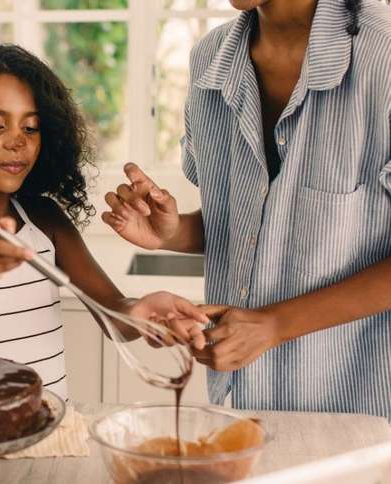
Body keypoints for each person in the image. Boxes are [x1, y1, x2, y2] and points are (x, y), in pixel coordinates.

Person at [0, 44, 208, 400]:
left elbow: (112, 312)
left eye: (31, 128)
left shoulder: (44, 220)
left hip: (45, 427)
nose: (18, 141)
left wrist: (141, 311)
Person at [104, 0, 391, 418]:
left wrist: (275, 324)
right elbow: (261, 221)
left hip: (364, 407)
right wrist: (173, 232)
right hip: (248, 403)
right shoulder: (210, 61)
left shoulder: (382, 55)